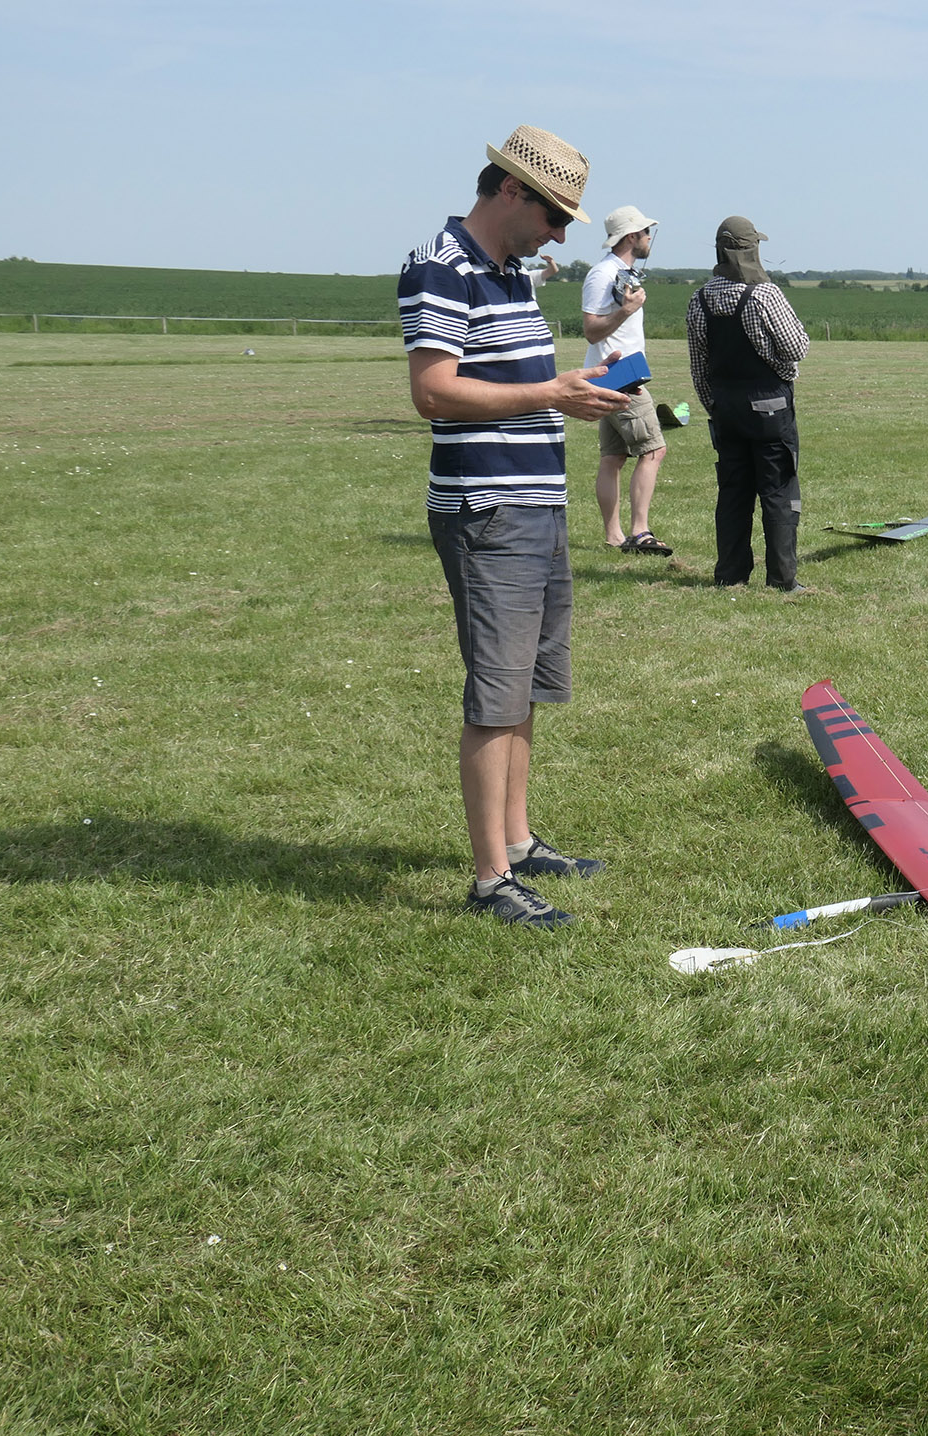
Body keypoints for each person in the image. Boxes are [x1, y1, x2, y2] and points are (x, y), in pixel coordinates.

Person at [399, 124, 631, 928]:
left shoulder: (512, 274)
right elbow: (433, 391)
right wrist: (549, 396)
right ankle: (491, 878)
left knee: (525, 685)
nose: (561, 234)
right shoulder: (440, 266)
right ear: (509, 191)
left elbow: (520, 382)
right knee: (494, 696)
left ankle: (520, 841)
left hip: (536, 505)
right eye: (556, 215)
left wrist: (580, 387)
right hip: (487, 511)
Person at [685, 216, 812, 592]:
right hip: (770, 406)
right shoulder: (765, 295)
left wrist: (715, 404)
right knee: (777, 491)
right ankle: (783, 579)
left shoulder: (700, 299)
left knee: (733, 492)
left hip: (725, 408)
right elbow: (797, 347)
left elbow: (698, 366)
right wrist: (779, 367)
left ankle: (730, 574)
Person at [582, 205, 672, 555]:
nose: (650, 238)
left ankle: (613, 536)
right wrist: (626, 310)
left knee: (614, 458)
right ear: (632, 237)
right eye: (646, 232)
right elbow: (591, 330)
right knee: (654, 450)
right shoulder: (602, 274)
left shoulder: (621, 272)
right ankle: (640, 532)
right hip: (621, 378)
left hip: (611, 377)